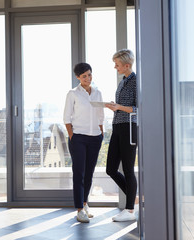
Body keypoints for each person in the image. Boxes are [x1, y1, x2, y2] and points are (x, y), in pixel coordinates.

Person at [63, 63, 104, 223]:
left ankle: (85, 204)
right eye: (84, 76)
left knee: (89, 173)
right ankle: (79, 209)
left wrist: (101, 133)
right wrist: (72, 136)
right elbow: (67, 117)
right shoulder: (72, 94)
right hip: (78, 137)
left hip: (95, 137)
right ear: (78, 78)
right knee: (79, 173)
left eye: (89, 74)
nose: (88, 78)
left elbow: (100, 115)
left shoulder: (98, 93)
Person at [105, 49, 138, 222]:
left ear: (127, 65)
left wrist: (119, 107)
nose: (115, 67)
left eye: (117, 64)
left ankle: (130, 210)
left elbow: (138, 108)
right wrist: (115, 106)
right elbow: (122, 105)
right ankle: (135, 199)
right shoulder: (123, 81)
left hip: (129, 128)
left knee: (128, 169)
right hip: (117, 126)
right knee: (110, 168)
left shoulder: (135, 81)